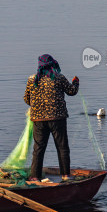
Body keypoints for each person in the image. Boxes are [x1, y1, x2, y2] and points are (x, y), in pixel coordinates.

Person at [24, 54, 79, 182]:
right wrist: (76, 82)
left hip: (38, 119)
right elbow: (72, 91)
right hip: (57, 118)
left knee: (38, 149)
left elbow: (27, 99)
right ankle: (65, 175)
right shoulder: (59, 78)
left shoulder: (32, 80)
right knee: (62, 147)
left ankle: (35, 177)